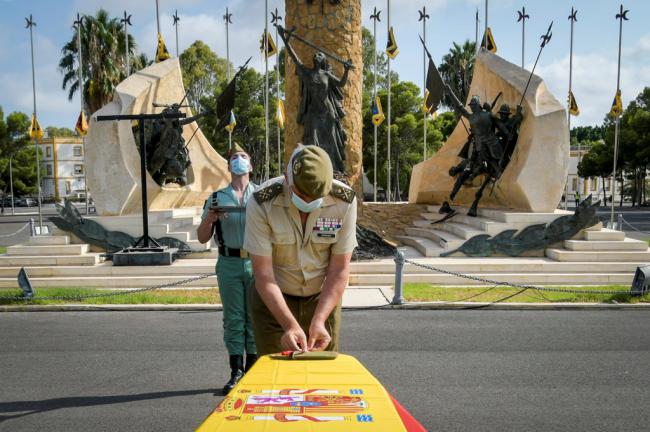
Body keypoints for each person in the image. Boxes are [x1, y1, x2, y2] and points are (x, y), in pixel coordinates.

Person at [243, 144, 357, 355]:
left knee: (323, 379)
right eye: (301, 195)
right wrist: (289, 325)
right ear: (288, 178)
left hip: (322, 298)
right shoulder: (261, 202)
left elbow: (339, 269)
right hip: (274, 300)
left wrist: (320, 319)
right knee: (274, 379)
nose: (307, 202)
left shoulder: (344, 201)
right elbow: (263, 274)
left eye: (315, 198)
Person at [196, 143, 257, 393]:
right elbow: (201, 237)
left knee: (254, 317)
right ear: (228, 166)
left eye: (243, 156)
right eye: (234, 157)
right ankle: (236, 371)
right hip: (229, 262)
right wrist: (210, 219)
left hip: (257, 262)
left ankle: (254, 370)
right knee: (233, 319)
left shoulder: (262, 195)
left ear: (251, 166)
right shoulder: (216, 198)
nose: (239, 160)